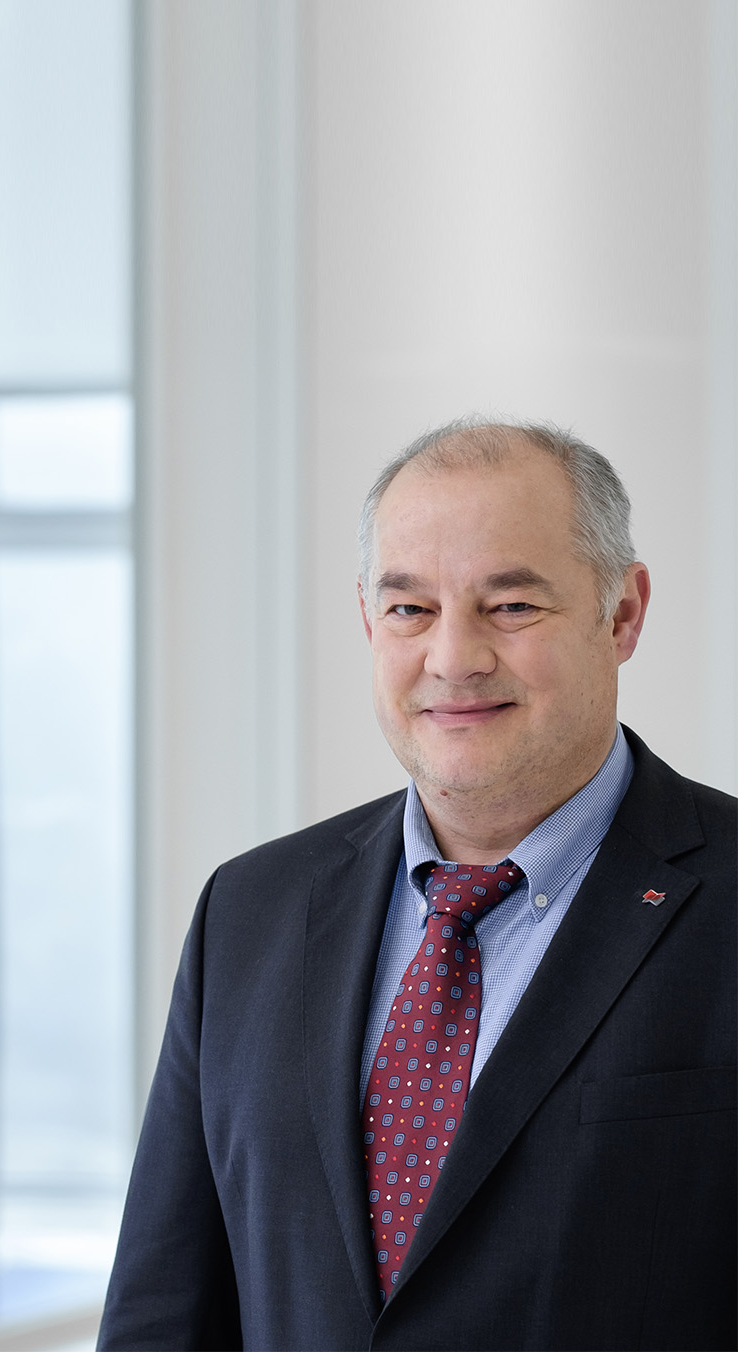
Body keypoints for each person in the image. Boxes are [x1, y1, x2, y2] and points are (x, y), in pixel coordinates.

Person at [99, 417, 735, 1350]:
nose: (453, 658)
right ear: (369, 620)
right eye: (410, 609)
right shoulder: (249, 910)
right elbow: (162, 1315)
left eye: (510, 606)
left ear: (622, 614)